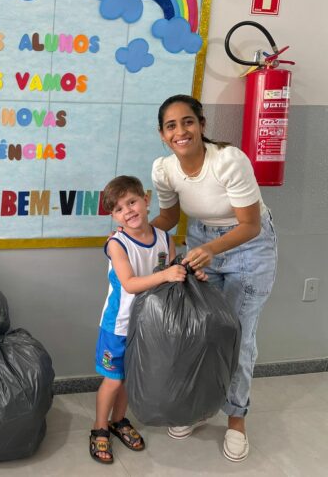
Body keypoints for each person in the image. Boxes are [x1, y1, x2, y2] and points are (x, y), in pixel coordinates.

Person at [150, 94, 278, 462]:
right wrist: (130, 236)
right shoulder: (165, 169)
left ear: (202, 126)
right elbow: (170, 219)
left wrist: (212, 250)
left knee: (237, 334)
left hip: (247, 245)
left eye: (188, 122)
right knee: (200, 331)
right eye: (171, 126)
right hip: (203, 241)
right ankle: (197, 406)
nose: (181, 131)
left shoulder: (228, 161)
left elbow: (250, 225)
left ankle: (236, 419)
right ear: (163, 134)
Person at [90, 175, 206, 465]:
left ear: (146, 200)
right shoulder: (117, 244)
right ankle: (99, 428)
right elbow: (129, 283)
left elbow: (172, 276)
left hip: (149, 325)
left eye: (131, 202)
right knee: (113, 380)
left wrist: (190, 273)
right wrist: (166, 274)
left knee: (131, 377)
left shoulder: (166, 239)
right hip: (118, 325)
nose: (127, 211)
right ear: (114, 216)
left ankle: (119, 421)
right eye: (118, 208)